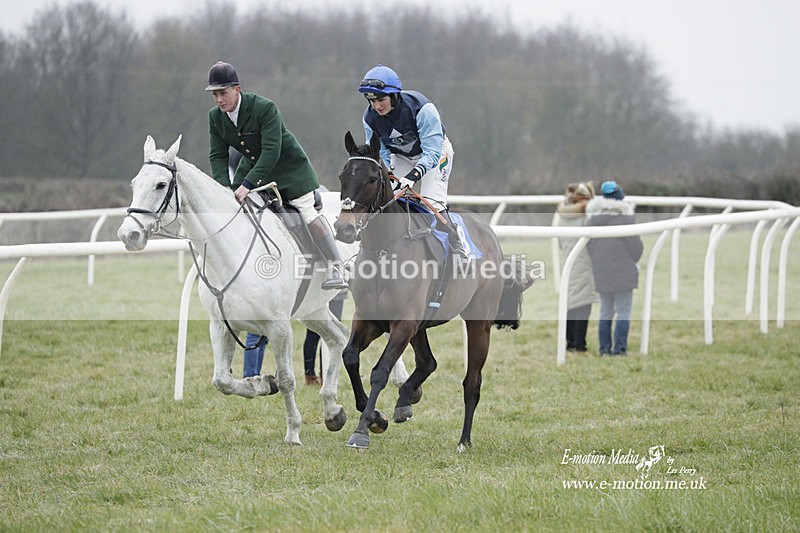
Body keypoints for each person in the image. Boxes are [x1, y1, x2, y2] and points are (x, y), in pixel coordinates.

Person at [205, 60, 347, 290]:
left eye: (223, 93)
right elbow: (217, 156)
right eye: (215, 95)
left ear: (237, 89)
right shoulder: (215, 117)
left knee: (306, 210)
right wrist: (224, 189)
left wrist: (247, 184)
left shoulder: (265, 108)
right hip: (252, 169)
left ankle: (336, 267)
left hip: (290, 170)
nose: (219, 99)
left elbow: (272, 151)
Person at [357, 64, 469, 263]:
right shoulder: (369, 118)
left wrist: (413, 176)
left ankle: (458, 246)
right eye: (371, 101)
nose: (376, 106)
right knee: (384, 199)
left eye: (381, 100)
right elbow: (379, 152)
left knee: (431, 201)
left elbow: (432, 152)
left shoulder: (422, 109)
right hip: (401, 158)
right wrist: (389, 173)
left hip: (435, 155)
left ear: (394, 95)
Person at [585, 181, 644, 356]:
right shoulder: (626, 220)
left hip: (601, 273)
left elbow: (589, 247)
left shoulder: (592, 221)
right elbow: (636, 249)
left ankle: (604, 349)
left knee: (605, 312)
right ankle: (619, 350)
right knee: (623, 312)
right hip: (624, 274)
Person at [555, 182, 597, 355]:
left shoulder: (562, 216)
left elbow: (559, 242)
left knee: (570, 303)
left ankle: (570, 341)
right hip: (585, 263)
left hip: (568, 261)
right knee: (584, 304)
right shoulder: (586, 217)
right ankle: (579, 344)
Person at [302, 290, 347, 385]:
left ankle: (322, 375)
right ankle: (312, 375)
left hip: (332, 292)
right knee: (316, 335)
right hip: (321, 293)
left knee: (329, 336)